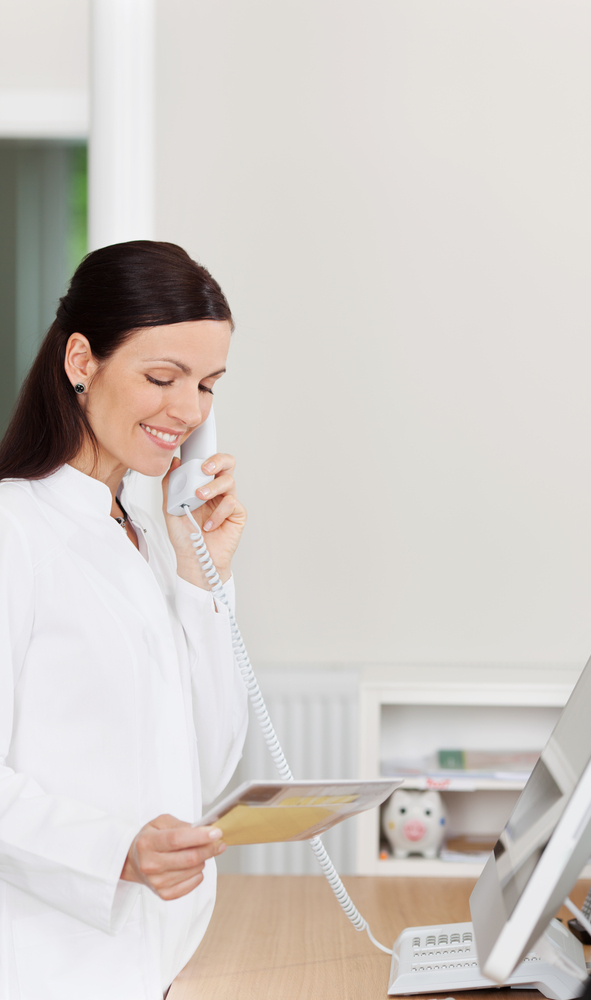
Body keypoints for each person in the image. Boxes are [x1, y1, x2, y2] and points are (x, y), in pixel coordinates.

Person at [0, 241, 249, 999]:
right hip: (48, 968)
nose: (189, 412)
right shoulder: (13, 530)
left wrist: (203, 577)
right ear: (82, 361)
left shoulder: (142, 533)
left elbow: (209, 764)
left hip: (165, 961)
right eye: (162, 378)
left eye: (206, 385)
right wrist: (117, 851)